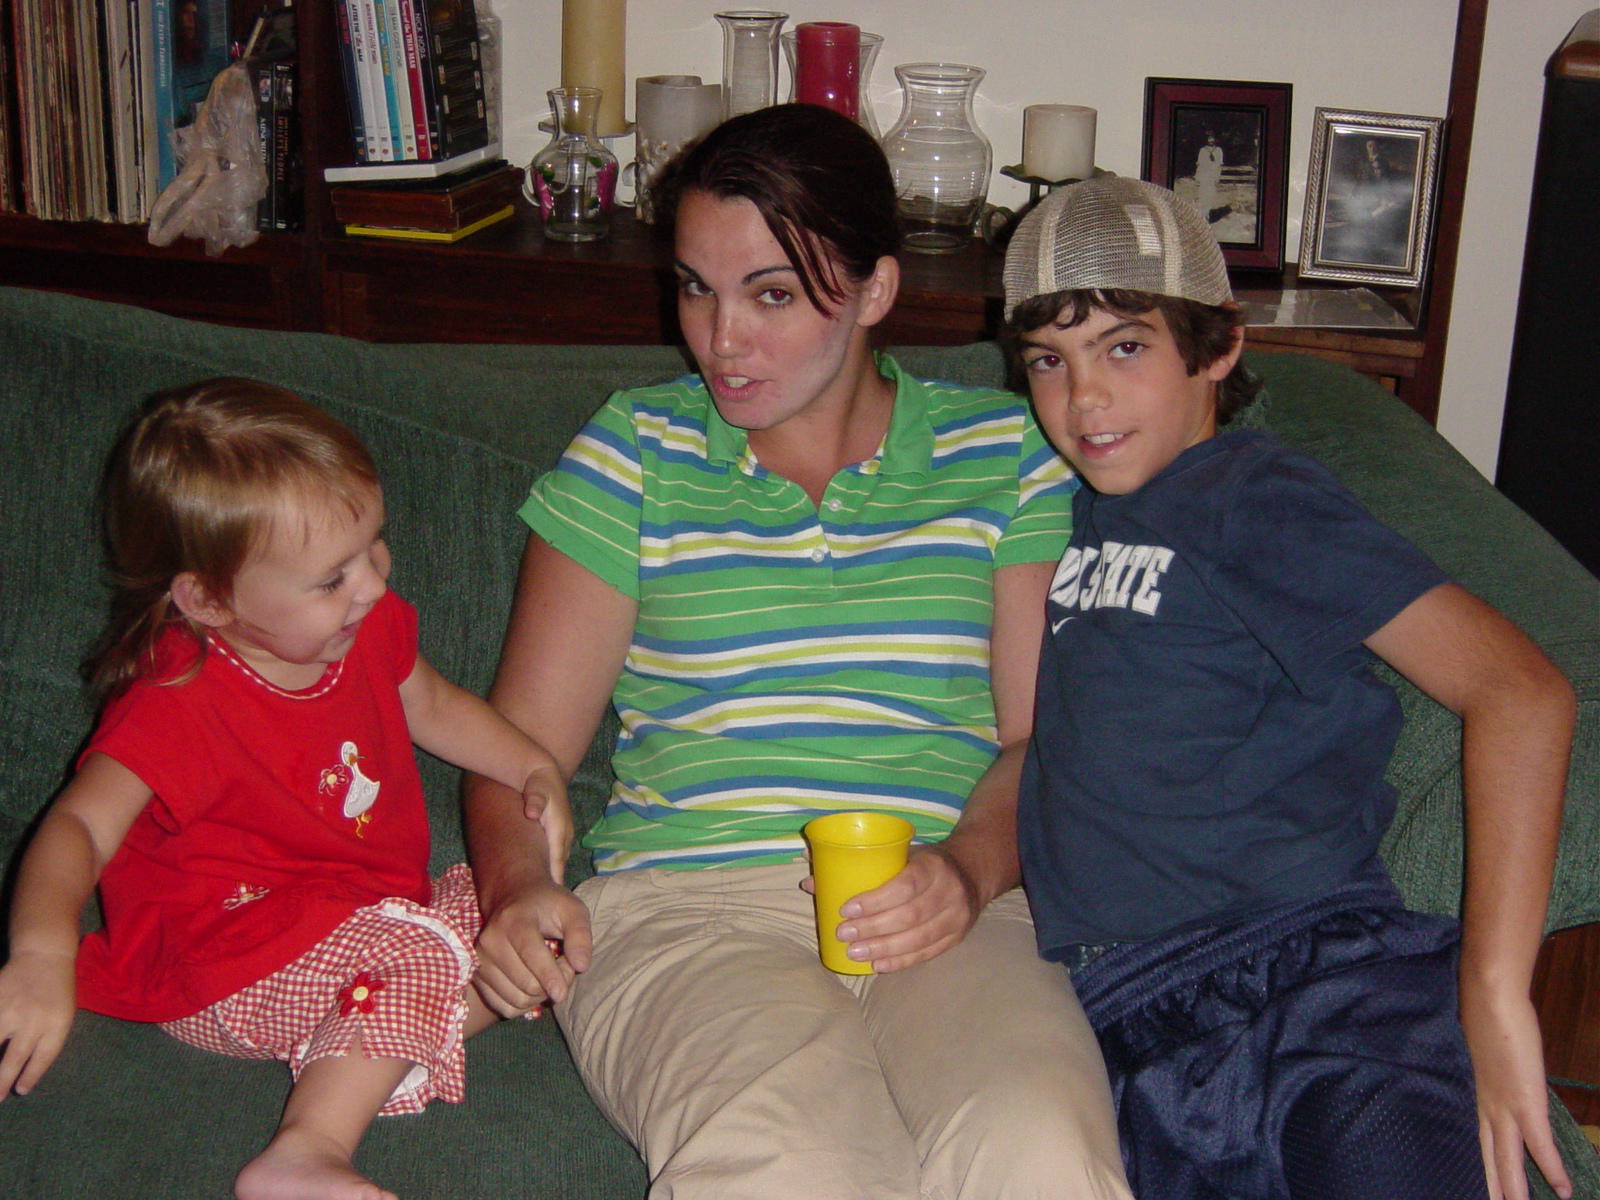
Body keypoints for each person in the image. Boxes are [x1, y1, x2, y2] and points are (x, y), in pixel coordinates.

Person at [463, 104, 1134, 1200]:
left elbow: (1036, 739)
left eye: (771, 294)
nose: (720, 339)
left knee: (1041, 1153)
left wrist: (966, 873)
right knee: (795, 1171)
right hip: (693, 911)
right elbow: (517, 747)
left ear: (875, 291)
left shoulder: (1006, 454)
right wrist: (515, 886)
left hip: (947, 898)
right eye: (695, 288)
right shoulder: (635, 452)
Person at [1000, 176, 1576, 1200]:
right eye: (1049, 359)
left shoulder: (1251, 496)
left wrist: (1496, 995)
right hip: (1129, 1022)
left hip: (1314, 982)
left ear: (1218, 348)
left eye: (1123, 348)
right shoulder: (1070, 516)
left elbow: (1520, 691)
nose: (1082, 398)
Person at [0, 379, 570, 1200]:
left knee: (514, 922)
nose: (373, 585)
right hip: (221, 955)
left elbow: (436, 706)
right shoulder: (177, 701)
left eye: (374, 546)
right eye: (332, 578)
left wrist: (532, 764)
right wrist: (41, 954)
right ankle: (307, 1148)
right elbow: (78, 830)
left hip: (351, 918)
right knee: (416, 949)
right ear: (207, 598)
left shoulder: (366, 628)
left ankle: (362, 1039)